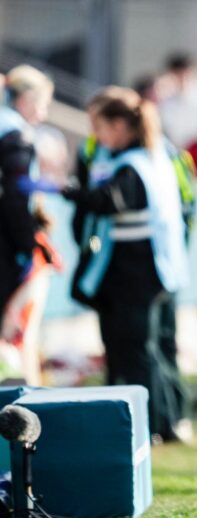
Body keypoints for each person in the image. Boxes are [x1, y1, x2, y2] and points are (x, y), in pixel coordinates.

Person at [62, 87, 192, 444]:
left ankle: (151, 424)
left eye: (99, 126)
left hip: (137, 272)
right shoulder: (154, 157)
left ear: (120, 125)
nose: (95, 135)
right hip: (149, 270)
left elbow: (114, 200)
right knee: (141, 347)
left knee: (137, 348)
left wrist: (72, 192)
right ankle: (164, 421)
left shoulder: (134, 165)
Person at [0, 65, 58, 386]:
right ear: (26, 99)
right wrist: (29, 244)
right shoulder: (15, 133)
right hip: (9, 246)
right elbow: (15, 197)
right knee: (20, 331)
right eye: (43, 102)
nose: (44, 112)